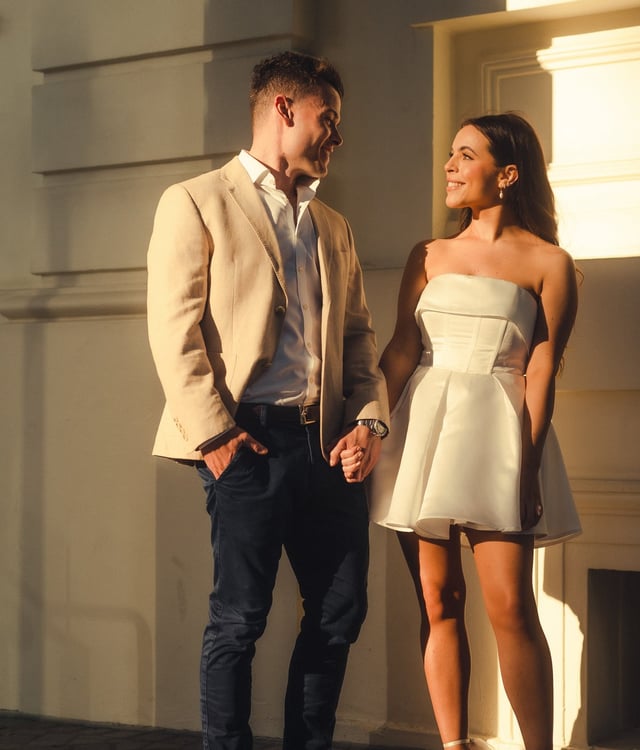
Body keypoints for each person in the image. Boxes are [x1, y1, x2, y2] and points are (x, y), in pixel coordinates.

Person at [146, 51, 389, 750]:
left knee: (340, 610)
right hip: (245, 442)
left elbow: (359, 342)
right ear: (284, 110)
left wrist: (369, 422)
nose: (336, 136)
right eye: (328, 119)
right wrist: (215, 437)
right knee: (239, 620)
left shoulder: (332, 226)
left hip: (328, 448)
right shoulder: (195, 200)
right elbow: (174, 329)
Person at [350, 113, 581, 750]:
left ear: (506, 175)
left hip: (499, 436)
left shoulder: (551, 264)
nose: (450, 166)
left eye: (465, 155)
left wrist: (528, 463)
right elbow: (401, 349)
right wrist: (371, 424)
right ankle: (455, 746)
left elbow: (542, 365)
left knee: (511, 608)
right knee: (438, 599)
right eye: (451, 154)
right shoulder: (428, 254)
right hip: (421, 429)